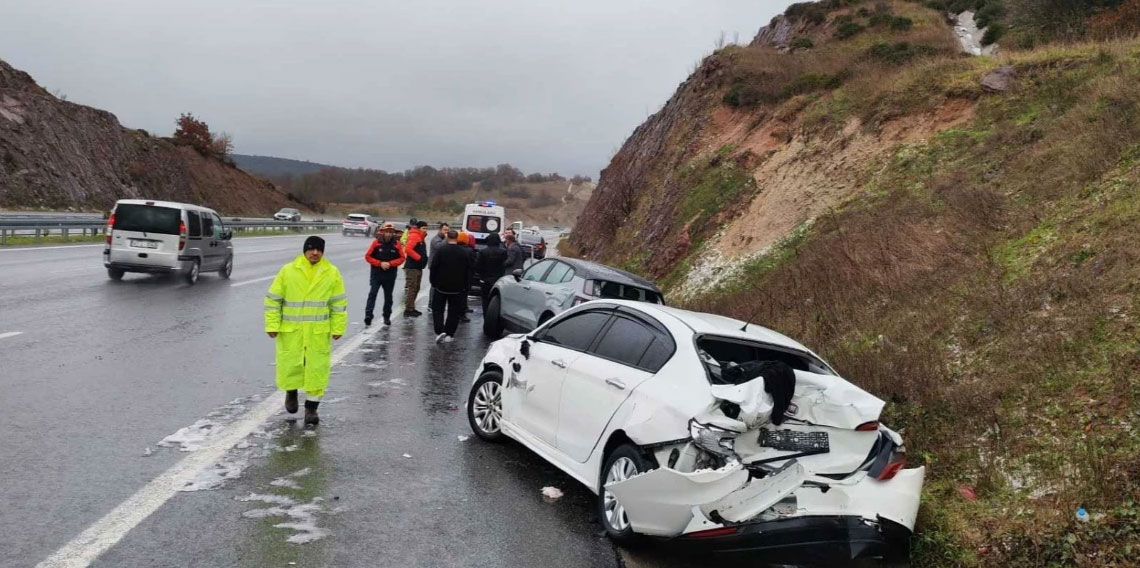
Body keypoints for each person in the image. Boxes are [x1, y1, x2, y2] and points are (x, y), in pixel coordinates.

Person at [264, 236, 347, 427]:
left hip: (318, 332)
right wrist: (272, 325)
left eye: (319, 250)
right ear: (305, 250)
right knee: (291, 365)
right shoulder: (288, 271)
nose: (315, 253)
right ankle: (291, 392)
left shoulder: (331, 272)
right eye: (311, 249)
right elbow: (273, 300)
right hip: (292, 331)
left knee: (317, 369)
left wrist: (338, 327)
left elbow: (338, 303)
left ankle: (311, 409)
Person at [428, 230, 472, 343]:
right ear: (457, 238)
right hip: (457, 287)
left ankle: (439, 330)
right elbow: (468, 270)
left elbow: (434, 267)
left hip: (441, 286)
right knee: (454, 311)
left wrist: (433, 281)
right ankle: (450, 333)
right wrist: (466, 285)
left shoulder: (441, 250)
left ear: (447, 238)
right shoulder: (464, 252)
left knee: (438, 310)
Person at [363, 223, 405, 327]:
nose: (388, 234)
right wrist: (379, 263)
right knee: (372, 294)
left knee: (388, 296)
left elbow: (402, 258)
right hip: (376, 273)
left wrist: (390, 263)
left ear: (393, 233)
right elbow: (368, 256)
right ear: (383, 232)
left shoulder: (397, 244)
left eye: (390, 232)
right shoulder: (376, 243)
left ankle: (387, 316)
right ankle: (368, 315)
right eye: (387, 232)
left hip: (390, 274)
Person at [402, 220, 429, 317]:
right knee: (412, 288)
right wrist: (419, 258)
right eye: (423, 228)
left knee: (416, 288)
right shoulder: (415, 236)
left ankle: (411, 307)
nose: (425, 230)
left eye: (426, 228)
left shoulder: (420, 237)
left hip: (417, 267)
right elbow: (408, 249)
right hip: (412, 267)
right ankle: (408, 309)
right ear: (418, 228)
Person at [475, 232, 507, 310]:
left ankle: (486, 314)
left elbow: (478, 265)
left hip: (485, 279)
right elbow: (505, 265)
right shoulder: (503, 252)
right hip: (498, 279)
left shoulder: (483, 252)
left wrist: (480, 274)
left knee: (485, 299)